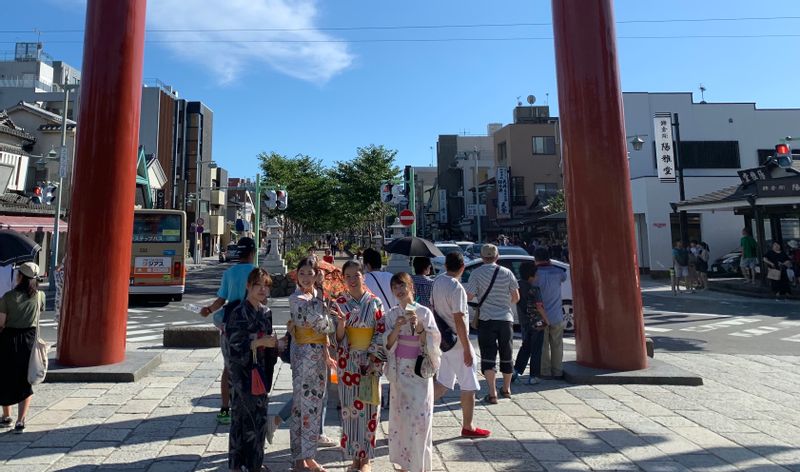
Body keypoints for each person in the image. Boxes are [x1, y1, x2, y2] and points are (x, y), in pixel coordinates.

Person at [384, 272, 442, 472]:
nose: (399, 291)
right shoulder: (391, 314)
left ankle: (420, 464)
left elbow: (435, 340)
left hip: (418, 369)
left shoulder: (424, 312)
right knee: (401, 418)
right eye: (395, 288)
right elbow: (387, 344)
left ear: (411, 288)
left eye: (403, 286)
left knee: (420, 418)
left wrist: (419, 327)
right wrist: (397, 327)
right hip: (399, 369)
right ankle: (404, 463)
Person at [334, 260, 387, 472]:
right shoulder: (339, 303)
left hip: (370, 363)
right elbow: (337, 338)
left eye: (357, 275)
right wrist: (341, 325)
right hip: (348, 363)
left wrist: (372, 357)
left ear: (363, 276)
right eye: (348, 276)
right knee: (349, 411)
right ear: (343, 279)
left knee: (370, 410)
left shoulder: (375, 303)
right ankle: (354, 457)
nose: (353, 280)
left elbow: (381, 331)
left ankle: (366, 459)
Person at [431, 252, 491, 439]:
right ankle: (468, 425)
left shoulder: (438, 281)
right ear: (462, 267)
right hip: (456, 340)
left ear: (446, 265)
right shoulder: (456, 287)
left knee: (443, 383)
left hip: (443, 338)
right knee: (468, 384)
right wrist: (467, 348)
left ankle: (416, 409)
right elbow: (459, 318)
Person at [287, 257, 337, 472]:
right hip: (303, 354)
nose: (307, 277)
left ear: (317, 275)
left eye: (310, 273)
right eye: (303, 273)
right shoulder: (297, 298)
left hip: (318, 354)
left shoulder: (317, 297)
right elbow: (322, 325)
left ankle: (307, 455)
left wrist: (327, 351)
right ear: (297, 275)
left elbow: (324, 331)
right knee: (301, 405)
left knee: (315, 404)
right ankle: (301, 457)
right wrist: (330, 318)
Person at [225, 268, 278, 472]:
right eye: (258, 285)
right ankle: (237, 464)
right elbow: (234, 344)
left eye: (266, 285)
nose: (263, 289)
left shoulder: (266, 312)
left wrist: (276, 345)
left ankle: (255, 462)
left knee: (260, 416)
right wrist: (257, 341)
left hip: (261, 369)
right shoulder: (238, 312)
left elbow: (268, 339)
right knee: (242, 416)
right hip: (243, 371)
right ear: (248, 286)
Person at [200, 237, 257, 425]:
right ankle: (247, 407)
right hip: (250, 326)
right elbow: (263, 300)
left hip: (229, 326)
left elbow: (220, 301)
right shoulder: (256, 273)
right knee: (251, 366)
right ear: (252, 253)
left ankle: (225, 409)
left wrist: (208, 310)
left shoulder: (229, 273)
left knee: (228, 368)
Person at [465, 244, 519, 404]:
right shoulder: (507, 272)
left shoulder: (476, 273)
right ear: (497, 256)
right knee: (507, 353)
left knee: (488, 355)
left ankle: (492, 392)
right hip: (505, 319)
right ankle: (507, 388)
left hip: (486, 319)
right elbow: (516, 296)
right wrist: (504, 303)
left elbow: (469, 295)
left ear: (482, 257)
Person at [0, 262, 45, 434]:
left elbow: (1, 323)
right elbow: (39, 312)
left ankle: (6, 416)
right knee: (25, 378)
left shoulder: (8, 296)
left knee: (5, 376)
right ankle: (21, 420)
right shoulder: (39, 296)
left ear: (20, 277)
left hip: (9, 339)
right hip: (29, 339)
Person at [512, 262, 549, 385]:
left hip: (524, 322)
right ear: (531, 275)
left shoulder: (517, 285)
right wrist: (546, 320)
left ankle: (516, 370)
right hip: (537, 322)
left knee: (525, 347)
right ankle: (533, 376)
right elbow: (539, 306)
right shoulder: (534, 289)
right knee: (536, 349)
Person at [533, 247, 568, 379]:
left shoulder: (535, 275)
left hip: (541, 315)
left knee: (543, 345)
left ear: (535, 260)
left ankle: (545, 371)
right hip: (556, 314)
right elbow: (564, 277)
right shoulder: (559, 273)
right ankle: (558, 371)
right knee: (557, 344)